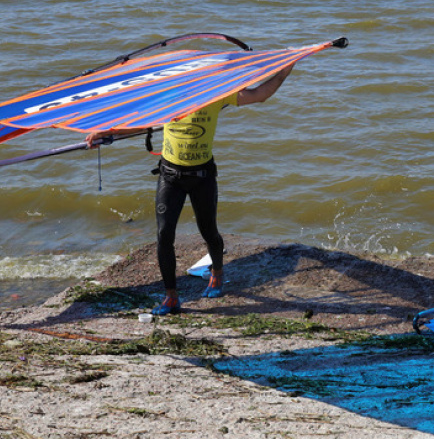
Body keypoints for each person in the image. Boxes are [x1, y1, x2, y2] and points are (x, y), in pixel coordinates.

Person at [86, 64, 296, 315]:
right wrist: (105, 132)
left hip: (202, 176)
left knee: (209, 231)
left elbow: (260, 94)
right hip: (170, 176)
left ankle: (217, 274)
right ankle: (171, 297)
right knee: (164, 235)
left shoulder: (216, 94)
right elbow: (142, 123)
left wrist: (286, 68)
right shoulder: (168, 99)